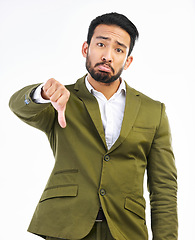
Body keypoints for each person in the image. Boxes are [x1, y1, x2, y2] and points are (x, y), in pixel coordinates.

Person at [9, 12, 178, 240]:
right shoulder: (62, 99)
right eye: (101, 44)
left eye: (119, 49)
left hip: (126, 230)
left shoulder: (153, 111)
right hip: (65, 227)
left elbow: (164, 186)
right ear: (85, 49)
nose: (107, 55)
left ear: (127, 61)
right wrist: (42, 93)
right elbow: (18, 105)